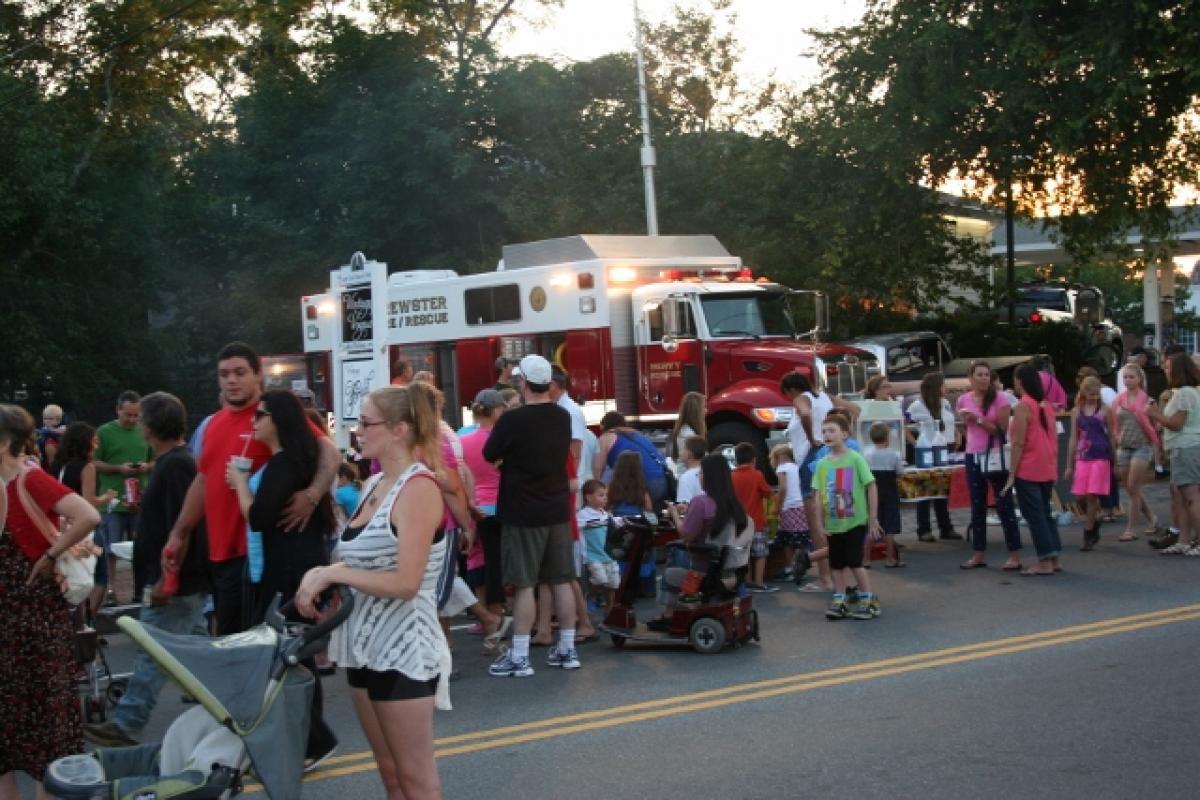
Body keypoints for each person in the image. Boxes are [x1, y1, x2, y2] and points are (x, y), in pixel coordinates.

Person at [295, 384, 450, 800]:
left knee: (415, 779)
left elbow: (406, 583)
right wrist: (330, 578)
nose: (356, 431)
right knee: (391, 774)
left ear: (399, 429)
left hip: (403, 650)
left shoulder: (419, 488)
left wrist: (330, 574)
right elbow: (364, 564)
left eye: (365, 423)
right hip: (364, 647)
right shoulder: (374, 483)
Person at [164, 342, 340, 636]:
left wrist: (311, 495)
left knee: (253, 644)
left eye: (240, 372)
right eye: (224, 374)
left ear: (258, 374)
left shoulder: (275, 416)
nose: (231, 380)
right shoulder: (213, 423)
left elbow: (329, 453)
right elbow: (204, 479)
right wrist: (180, 531)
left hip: (255, 554)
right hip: (219, 550)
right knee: (230, 637)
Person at [83, 392, 210, 748]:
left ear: (150, 426)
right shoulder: (177, 463)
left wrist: (166, 579)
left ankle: (128, 722)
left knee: (151, 648)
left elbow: (180, 527)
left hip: (176, 579)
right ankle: (230, 699)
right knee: (197, 645)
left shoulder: (175, 466)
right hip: (181, 578)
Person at [225, 389, 339, 769]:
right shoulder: (291, 462)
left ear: (278, 420)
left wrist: (239, 481)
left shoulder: (285, 463)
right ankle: (305, 739)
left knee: (289, 656)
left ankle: (313, 740)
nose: (254, 421)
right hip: (290, 568)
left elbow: (257, 517)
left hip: (288, 573)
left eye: (260, 415)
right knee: (288, 656)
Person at [1, 404, 101, 796]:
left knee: (46, 732)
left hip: (35, 621)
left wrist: (48, 554)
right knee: (17, 733)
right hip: (18, 622)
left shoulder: (29, 480)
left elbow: (88, 515)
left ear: (6, 442)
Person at [484, 354, 578, 677]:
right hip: (557, 508)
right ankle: (567, 648)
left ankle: (520, 655)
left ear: (523, 382)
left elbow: (489, 453)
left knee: (525, 584)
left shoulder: (513, 420)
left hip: (523, 510)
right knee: (561, 579)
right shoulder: (562, 416)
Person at [655, 454, 751, 629]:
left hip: (705, 571)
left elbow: (686, 535)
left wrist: (674, 514)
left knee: (669, 574)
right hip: (732, 571)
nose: (699, 476)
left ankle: (668, 616)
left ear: (708, 476)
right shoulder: (734, 505)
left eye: (701, 473)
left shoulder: (700, 502)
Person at [813, 414, 882, 620]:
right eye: (824, 431)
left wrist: (873, 518)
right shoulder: (822, 464)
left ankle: (868, 600)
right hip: (834, 524)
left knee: (855, 562)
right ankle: (840, 599)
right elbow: (817, 494)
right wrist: (819, 523)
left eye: (831, 430)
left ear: (844, 434)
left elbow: (871, 486)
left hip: (854, 521)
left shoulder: (855, 458)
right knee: (836, 564)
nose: (827, 434)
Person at [956, 361, 1022, 571]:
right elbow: (964, 427)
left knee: (1004, 504)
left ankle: (1013, 554)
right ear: (971, 377)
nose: (984, 378)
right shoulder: (963, 399)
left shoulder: (1000, 399)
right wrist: (968, 424)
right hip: (973, 454)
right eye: (980, 375)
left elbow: (1001, 431)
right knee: (977, 506)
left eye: (987, 375)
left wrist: (978, 420)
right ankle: (978, 553)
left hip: (994, 454)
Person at [93, 390, 154, 604]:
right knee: (111, 549)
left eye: (136, 415)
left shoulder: (145, 431)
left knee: (141, 547)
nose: (132, 420)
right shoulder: (104, 432)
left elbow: (156, 458)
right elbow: (94, 463)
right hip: (113, 500)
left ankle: (140, 589)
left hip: (140, 498)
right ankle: (111, 590)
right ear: (118, 410)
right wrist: (118, 468)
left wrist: (146, 466)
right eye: (127, 414)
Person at [1003, 364, 1063, 576]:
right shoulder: (1045, 404)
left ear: (1021, 381)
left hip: (1029, 467)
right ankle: (1054, 557)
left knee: (1035, 514)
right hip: (1046, 465)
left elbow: (1018, 442)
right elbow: (1054, 438)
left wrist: (1012, 472)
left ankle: (1045, 560)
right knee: (1045, 513)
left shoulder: (1023, 406)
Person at [781, 372, 834, 592]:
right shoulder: (824, 397)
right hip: (828, 454)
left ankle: (824, 578)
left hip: (810, 457)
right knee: (828, 520)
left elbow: (804, 413)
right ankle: (833, 573)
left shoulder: (801, 398)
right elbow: (854, 410)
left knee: (816, 524)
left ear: (791, 389)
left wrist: (812, 438)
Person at [1147, 353, 1200, 555]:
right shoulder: (1186, 392)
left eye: (1168, 367)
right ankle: (1184, 540)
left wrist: (1154, 413)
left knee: (1191, 497)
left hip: (1186, 447)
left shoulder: (1185, 393)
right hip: (1183, 447)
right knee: (1183, 497)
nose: (1165, 370)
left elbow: (1177, 424)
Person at [461, 389, 506, 615]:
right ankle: (499, 609)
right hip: (503, 505)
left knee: (479, 558)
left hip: (475, 507)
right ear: (497, 410)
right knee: (501, 560)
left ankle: (484, 612)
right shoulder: (504, 439)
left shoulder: (463, 440)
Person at [906, 373, 963, 542]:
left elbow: (949, 422)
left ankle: (945, 526)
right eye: (943, 385)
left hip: (947, 446)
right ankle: (923, 528)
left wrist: (957, 433)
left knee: (943, 489)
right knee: (926, 488)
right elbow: (903, 424)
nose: (946, 388)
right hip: (928, 449)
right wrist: (915, 443)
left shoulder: (944, 403)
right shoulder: (917, 406)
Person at [1065, 376, 1115, 551]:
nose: (1094, 396)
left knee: (1092, 494)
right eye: (1090, 392)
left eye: (1096, 392)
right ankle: (1095, 519)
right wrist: (1069, 465)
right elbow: (1073, 437)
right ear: (1084, 392)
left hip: (1100, 455)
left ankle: (1088, 533)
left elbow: (1111, 435)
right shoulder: (1076, 411)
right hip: (1083, 455)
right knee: (1080, 495)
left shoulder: (1105, 410)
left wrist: (1113, 457)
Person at [1112, 362, 1160, 541]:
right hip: (1124, 446)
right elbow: (1115, 425)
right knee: (1132, 489)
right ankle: (1152, 518)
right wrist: (1116, 442)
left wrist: (1157, 447)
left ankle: (1130, 529)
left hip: (1142, 445)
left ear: (1140, 379)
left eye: (1131, 377)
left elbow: (1156, 424)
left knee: (1133, 486)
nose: (1128, 380)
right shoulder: (1119, 400)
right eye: (1125, 377)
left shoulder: (1147, 400)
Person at [593, 412, 670, 510]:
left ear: (603, 426)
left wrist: (596, 491)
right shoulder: (637, 435)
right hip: (663, 481)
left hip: (642, 484)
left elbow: (598, 470)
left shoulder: (605, 438)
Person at [730, 442, 776, 593]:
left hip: (738, 525)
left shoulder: (731, 476)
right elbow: (768, 493)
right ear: (754, 460)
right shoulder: (757, 475)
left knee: (745, 555)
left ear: (736, 460)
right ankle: (760, 582)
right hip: (756, 523)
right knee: (760, 554)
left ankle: (747, 582)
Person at [864, 424, 904, 568]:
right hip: (890, 492)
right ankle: (890, 559)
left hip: (872, 492)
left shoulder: (867, 454)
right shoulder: (894, 454)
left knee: (873, 526)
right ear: (887, 438)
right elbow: (900, 473)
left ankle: (866, 559)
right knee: (890, 527)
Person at [578, 480, 620, 610]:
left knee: (613, 584)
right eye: (601, 495)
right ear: (589, 497)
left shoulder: (605, 514)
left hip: (608, 554)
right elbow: (577, 526)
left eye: (605, 495)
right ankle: (590, 595)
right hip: (593, 555)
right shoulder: (583, 515)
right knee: (600, 579)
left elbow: (615, 524)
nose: (605, 498)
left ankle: (610, 607)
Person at [770, 443, 810, 576]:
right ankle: (803, 564)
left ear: (778, 457)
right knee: (801, 537)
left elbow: (782, 488)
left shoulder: (782, 468)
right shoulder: (796, 466)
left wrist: (778, 506)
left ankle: (790, 567)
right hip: (800, 505)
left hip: (788, 506)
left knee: (786, 538)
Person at [549, 364, 587, 472]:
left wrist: (569, 483)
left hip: (568, 481)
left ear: (552, 385)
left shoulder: (570, 411)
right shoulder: (561, 408)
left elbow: (575, 453)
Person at [669, 392, 707, 473]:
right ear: (696, 411)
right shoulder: (688, 435)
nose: (706, 410)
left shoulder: (686, 431)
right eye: (703, 407)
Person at [675, 435, 706, 504]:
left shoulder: (685, 478)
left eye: (683, 448)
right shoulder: (707, 471)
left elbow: (684, 507)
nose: (680, 451)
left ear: (689, 454)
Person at [36, 404, 67, 469]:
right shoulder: (44, 429)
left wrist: (48, 431)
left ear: (58, 420)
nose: (47, 421)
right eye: (45, 418)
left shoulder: (62, 428)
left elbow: (61, 431)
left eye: (50, 419)